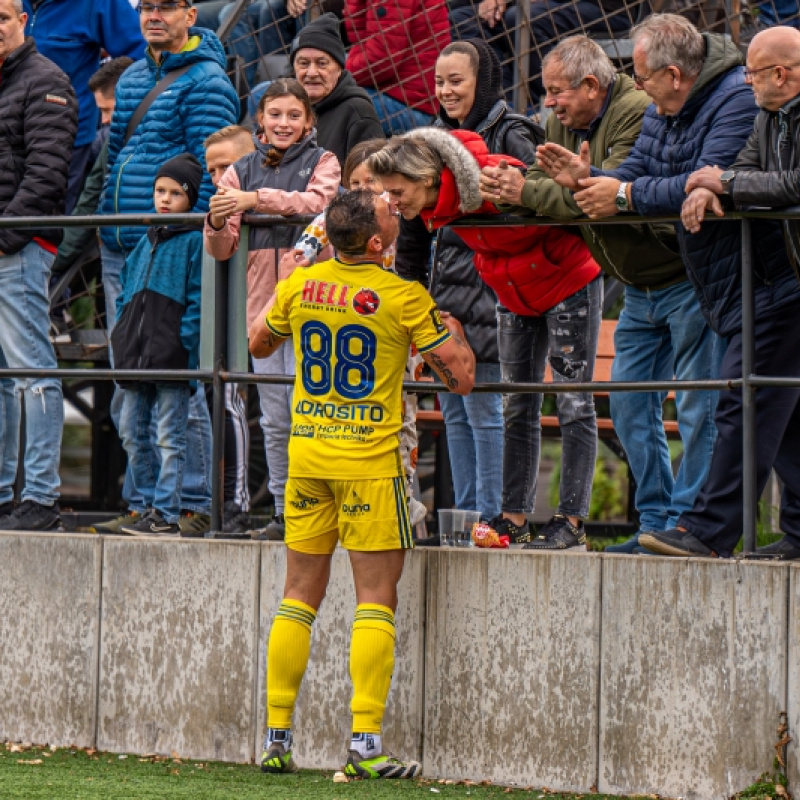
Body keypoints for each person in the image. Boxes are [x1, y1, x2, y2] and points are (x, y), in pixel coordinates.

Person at [248, 188, 475, 778]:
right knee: (375, 599)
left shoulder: (300, 285)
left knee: (298, 595)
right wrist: (456, 334)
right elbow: (463, 379)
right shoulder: (403, 296)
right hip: (370, 465)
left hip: (308, 459)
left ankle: (276, 739)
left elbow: (258, 343)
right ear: (377, 244)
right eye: (389, 213)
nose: (397, 211)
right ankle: (366, 747)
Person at [479, 35, 722, 554]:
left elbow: (598, 198)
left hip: (680, 277)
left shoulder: (637, 110)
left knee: (699, 406)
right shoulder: (560, 122)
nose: (549, 103)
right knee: (632, 406)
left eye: (556, 91)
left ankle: (691, 526)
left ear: (591, 85)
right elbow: (556, 190)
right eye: (546, 92)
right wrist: (544, 189)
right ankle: (657, 521)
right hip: (636, 285)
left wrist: (540, 190)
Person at [369, 128, 602, 550]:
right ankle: (513, 518)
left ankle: (571, 520)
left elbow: (564, 197)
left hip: (565, 278)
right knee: (516, 401)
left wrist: (532, 190)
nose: (392, 201)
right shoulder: (428, 206)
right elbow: (409, 262)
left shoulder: (492, 177)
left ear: (426, 178)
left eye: (397, 191)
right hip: (512, 290)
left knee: (572, 398)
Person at [639, 25, 800, 560]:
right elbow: (747, 168)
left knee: (746, 402)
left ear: (781, 74)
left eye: (753, 72)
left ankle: (709, 531)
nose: (746, 80)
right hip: (776, 280)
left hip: (788, 283)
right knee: (786, 409)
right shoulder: (767, 114)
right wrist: (714, 182)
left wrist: (722, 185)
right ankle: (798, 533)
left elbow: (792, 184)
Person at [99, 0, 239, 536]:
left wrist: (188, 236)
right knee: (131, 379)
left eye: (164, 6)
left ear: (189, 12)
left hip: (175, 247)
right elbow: (117, 157)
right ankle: (145, 502)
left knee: (180, 377)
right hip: (125, 245)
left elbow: (215, 164)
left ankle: (189, 503)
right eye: (145, 7)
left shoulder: (206, 81)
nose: (152, 15)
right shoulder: (134, 75)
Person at [397, 39, 541, 524]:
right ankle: (467, 517)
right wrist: (411, 292)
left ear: (483, 82)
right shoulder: (431, 139)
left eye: (456, 80)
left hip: (495, 294)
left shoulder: (511, 132)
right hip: (445, 301)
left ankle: (495, 516)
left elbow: (536, 197)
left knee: (486, 410)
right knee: (456, 410)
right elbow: (413, 229)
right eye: (439, 82)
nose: (445, 91)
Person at [204, 79, 340, 541]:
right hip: (262, 305)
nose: (284, 124)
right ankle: (285, 512)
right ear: (259, 119)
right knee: (276, 418)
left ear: (308, 120)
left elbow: (320, 205)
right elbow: (222, 248)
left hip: (311, 303)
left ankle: (318, 511)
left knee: (313, 412)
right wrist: (219, 218)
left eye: (293, 115)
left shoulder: (323, 161)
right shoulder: (239, 169)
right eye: (275, 115)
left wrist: (255, 200)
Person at [277, 138, 428, 530]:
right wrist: (305, 252)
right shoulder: (345, 215)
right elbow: (321, 221)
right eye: (355, 184)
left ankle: (406, 495)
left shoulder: (399, 214)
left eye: (371, 183)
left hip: (396, 321)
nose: (363, 192)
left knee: (405, 412)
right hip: (362, 321)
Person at [0, 0, 77, 532]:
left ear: (23, 21)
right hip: (11, 243)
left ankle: (42, 497)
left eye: (1, 18)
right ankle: (6, 491)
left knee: (31, 370)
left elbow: (48, 175)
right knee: (6, 377)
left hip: (19, 247)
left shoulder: (47, 80)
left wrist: (4, 238)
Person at [111, 154, 204, 536]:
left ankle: (166, 512)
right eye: (159, 191)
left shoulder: (194, 241)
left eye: (175, 193)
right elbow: (123, 293)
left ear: (190, 198)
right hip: (135, 355)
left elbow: (199, 301)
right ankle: (147, 503)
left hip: (171, 357)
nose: (165, 199)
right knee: (131, 430)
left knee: (170, 436)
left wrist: (184, 343)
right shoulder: (144, 242)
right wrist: (121, 333)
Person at [22, 0, 145, 212]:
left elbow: (142, 52)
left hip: (66, 138)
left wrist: (112, 97)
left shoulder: (97, 3)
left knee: (46, 223)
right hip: (9, 132)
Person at [203, 125, 257, 534]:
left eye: (228, 167)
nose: (219, 179)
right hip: (232, 318)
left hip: (266, 310)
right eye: (212, 170)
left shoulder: (263, 195)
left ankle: (252, 504)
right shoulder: (219, 206)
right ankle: (232, 504)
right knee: (229, 400)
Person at [449, 0, 632, 101]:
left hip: (606, 7)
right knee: (461, 18)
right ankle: (501, 101)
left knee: (522, 18)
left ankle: (541, 102)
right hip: (528, 5)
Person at [288, 12, 383, 165]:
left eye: (322, 63)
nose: (311, 73)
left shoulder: (357, 111)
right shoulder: (285, 107)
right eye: (304, 63)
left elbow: (371, 180)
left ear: (339, 68)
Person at [344, 0, 449, 135]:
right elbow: (359, 37)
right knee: (321, 66)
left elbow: (379, 62)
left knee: (329, 96)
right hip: (404, 93)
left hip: (410, 107)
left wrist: (337, 75)